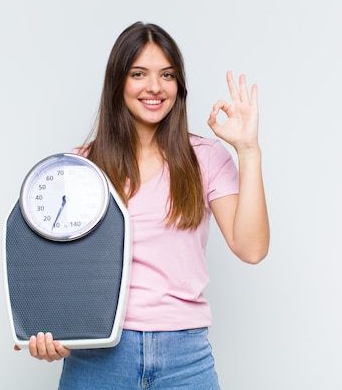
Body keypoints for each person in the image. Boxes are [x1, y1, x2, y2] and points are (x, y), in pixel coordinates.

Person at [15, 21, 269, 389]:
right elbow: (58, 267)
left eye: (167, 75)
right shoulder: (80, 168)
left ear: (178, 85)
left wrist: (248, 149)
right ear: (118, 82)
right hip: (99, 356)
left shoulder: (206, 157)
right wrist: (49, 331)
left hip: (186, 356)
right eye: (139, 74)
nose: (154, 86)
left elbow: (252, 248)